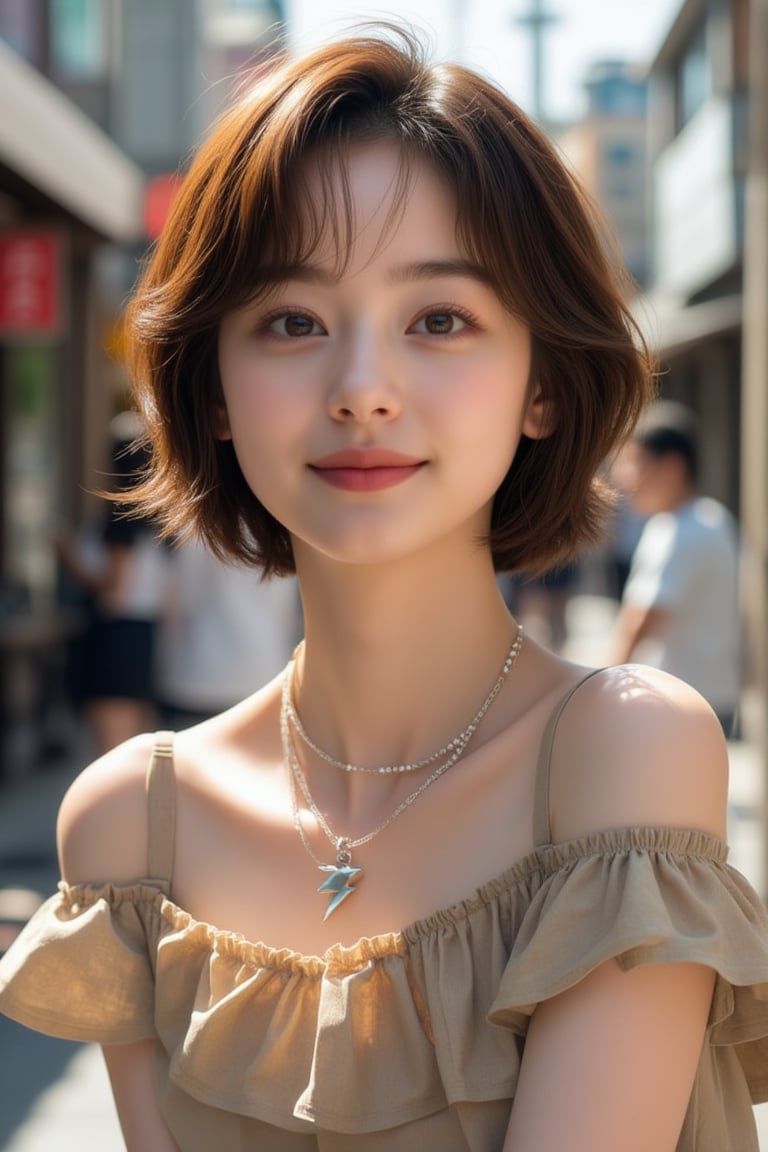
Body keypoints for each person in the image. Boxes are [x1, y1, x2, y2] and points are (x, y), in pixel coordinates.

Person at [1, 27, 767, 1152]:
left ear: (542, 385)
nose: (362, 388)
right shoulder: (127, 829)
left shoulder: (623, 753)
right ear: (213, 389)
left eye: (440, 320)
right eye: (292, 322)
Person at [611, 400, 741, 736]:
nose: (624, 477)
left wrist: (601, 689)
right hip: (712, 698)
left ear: (671, 467)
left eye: (635, 462)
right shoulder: (713, 518)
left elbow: (638, 623)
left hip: (673, 706)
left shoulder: (677, 531)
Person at [55, 411, 167, 754]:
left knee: (111, 753)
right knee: (131, 750)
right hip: (144, 636)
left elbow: (114, 588)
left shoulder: (121, 512)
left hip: (115, 638)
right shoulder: (159, 511)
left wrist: (67, 553)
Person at [156, 538, 301, 728]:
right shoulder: (283, 533)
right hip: (264, 672)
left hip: (200, 671)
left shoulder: (198, 526)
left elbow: (179, 601)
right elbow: (288, 611)